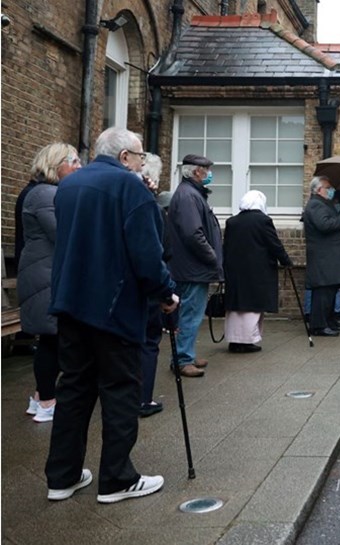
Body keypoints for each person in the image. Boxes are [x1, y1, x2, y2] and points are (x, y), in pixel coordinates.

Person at [45, 127, 177, 504]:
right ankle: (117, 478)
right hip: (114, 306)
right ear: (123, 158)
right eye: (138, 156)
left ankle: (62, 477)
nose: (141, 163)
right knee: (120, 389)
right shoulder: (129, 187)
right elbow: (146, 254)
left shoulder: (68, 186)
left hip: (71, 303)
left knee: (73, 388)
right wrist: (166, 292)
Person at [17, 143, 81, 423]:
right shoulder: (46, 193)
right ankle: (47, 401)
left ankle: (39, 397)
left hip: (44, 272)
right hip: (45, 276)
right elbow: (64, 233)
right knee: (52, 339)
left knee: (51, 339)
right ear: (57, 164)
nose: (80, 166)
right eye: (74, 161)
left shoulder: (43, 192)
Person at [166, 153, 223, 377]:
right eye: (207, 170)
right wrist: (212, 257)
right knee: (191, 313)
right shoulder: (189, 196)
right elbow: (193, 234)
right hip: (193, 268)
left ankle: (185, 353)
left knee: (189, 313)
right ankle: (183, 359)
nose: (209, 174)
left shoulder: (189, 194)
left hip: (188, 267)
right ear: (197, 172)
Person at [223, 190, 293, 353]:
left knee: (237, 307)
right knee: (252, 308)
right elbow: (274, 244)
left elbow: (226, 247)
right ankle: (247, 340)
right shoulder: (263, 220)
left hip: (235, 271)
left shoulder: (232, 221)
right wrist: (286, 261)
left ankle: (234, 339)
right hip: (257, 271)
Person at [303, 176, 340, 337]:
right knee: (323, 292)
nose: (332, 191)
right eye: (328, 188)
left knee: (330, 291)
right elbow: (324, 225)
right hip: (324, 258)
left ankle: (329, 320)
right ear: (319, 190)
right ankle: (319, 325)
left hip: (329, 258)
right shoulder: (315, 205)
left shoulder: (323, 204)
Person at [139, 152, 167, 417]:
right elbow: (152, 253)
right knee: (148, 342)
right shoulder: (149, 207)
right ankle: (142, 399)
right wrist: (166, 292)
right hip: (143, 290)